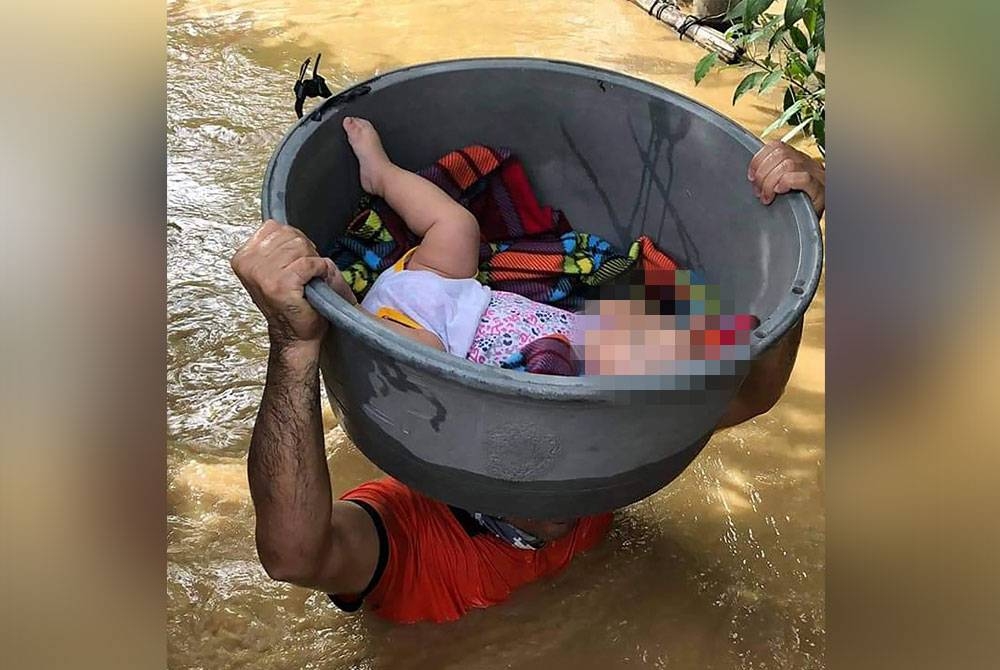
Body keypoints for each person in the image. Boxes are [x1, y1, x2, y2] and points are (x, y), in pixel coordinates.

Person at [230, 131, 826, 623]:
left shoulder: (597, 452)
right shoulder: (414, 535)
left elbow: (752, 391)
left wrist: (795, 238)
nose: (556, 456)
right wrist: (293, 346)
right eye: (540, 444)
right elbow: (293, 557)